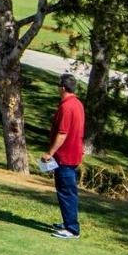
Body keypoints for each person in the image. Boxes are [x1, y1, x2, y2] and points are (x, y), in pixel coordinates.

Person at [43, 72, 86, 239]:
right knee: (67, 191)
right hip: (73, 154)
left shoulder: (66, 106)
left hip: (65, 156)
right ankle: (68, 222)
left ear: (62, 87)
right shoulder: (77, 104)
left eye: (58, 86)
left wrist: (50, 153)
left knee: (67, 192)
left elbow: (62, 133)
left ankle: (72, 229)